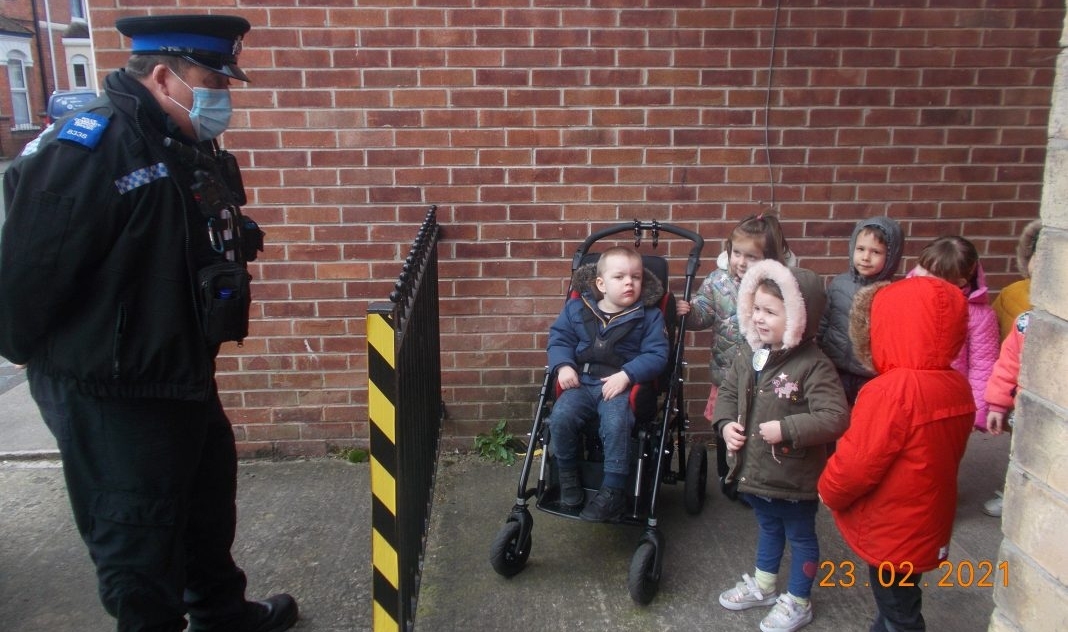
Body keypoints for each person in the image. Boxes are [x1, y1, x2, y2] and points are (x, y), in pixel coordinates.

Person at [0, 15, 296, 632]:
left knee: (206, 505)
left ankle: (220, 614)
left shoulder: (177, 138)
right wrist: (64, 367)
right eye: (214, 78)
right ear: (164, 75)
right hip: (113, 390)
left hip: (176, 370)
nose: (224, 95)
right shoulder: (90, 147)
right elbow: (26, 278)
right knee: (137, 540)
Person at [818, 276, 975, 632]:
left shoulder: (890, 392)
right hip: (929, 517)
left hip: (893, 524)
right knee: (902, 595)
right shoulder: (956, 386)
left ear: (889, 326)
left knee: (898, 610)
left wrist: (829, 490)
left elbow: (856, 464)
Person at [712, 260, 848, 632]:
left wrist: (787, 427)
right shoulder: (750, 354)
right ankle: (766, 586)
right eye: (755, 308)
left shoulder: (813, 365)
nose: (758, 318)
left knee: (801, 536)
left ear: (799, 317)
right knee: (769, 529)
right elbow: (727, 392)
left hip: (793, 476)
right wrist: (725, 425)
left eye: (770, 312)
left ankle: (799, 601)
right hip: (755, 472)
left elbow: (835, 416)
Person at [546, 246, 669, 522]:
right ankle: (567, 476)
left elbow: (657, 355)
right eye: (620, 277)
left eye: (636, 277)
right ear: (600, 284)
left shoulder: (648, 316)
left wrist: (627, 375)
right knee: (560, 418)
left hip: (620, 385)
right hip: (581, 381)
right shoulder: (577, 308)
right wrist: (563, 365)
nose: (630, 282)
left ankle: (613, 490)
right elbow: (559, 339)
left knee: (616, 424)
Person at [676, 212, 794, 499]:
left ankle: (754, 479)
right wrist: (689, 312)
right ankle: (726, 477)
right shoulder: (718, 282)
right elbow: (704, 312)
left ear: (768, 258)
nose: (741, 262)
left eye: (750, 256)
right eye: (736, 253)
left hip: (764, 374)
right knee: (726, 423)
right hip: (727, 373)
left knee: (756, 427)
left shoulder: (776, 287)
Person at [908, 236, 999, 431]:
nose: (922, 276)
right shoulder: (905, 298)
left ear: (959, 281)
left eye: (934, 274)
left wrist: (976, 410)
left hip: (947, 398)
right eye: (922, 266)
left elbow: (982, 365)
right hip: (908, 391)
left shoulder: (979, 315)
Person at [817, 216, 904, 405]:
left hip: (869, 374)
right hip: (834, 367)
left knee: (863, 417)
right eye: (861, 249)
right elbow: (824, 321)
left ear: (890, 257)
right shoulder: (839, 284)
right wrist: (820, 349)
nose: (865, 257)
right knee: (834, 413)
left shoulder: (890, 293)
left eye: (876, 252)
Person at [981, 310, 1030, 517]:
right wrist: (998, 405)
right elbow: (1009, 366)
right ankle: (1014, 497)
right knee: (1021, 456)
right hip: (1027, 409)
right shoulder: (1026, 323)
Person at [992, 219, 1041, 339]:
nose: (1041, 265)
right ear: (1029, 255)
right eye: (1037, 256)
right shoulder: (1010, 293)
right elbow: (990, 334)